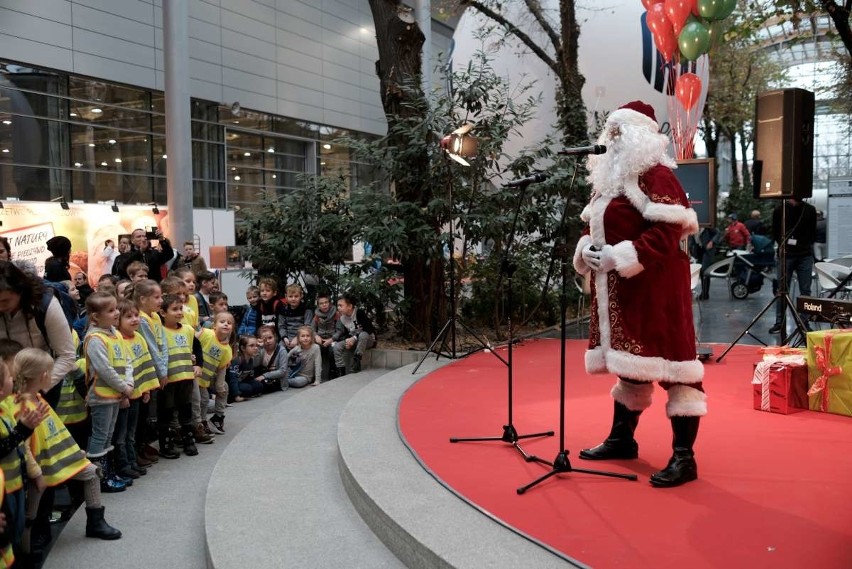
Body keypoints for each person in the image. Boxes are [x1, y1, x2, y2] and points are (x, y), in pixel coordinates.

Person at [572, 100, 705, 488]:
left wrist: (620, 256)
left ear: (638, 137)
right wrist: (589, 251)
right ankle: (621, 439)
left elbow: (666, 234)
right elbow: (593, 229)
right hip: (621, 289)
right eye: (608, 132)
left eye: (618, 133)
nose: (611, 140)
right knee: (632, 363)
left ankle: (685, 458)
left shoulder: (658, 175)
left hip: (657, 290)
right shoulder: (608, 184)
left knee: (675, 368)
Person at [13, 348, 122, 541]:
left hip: (57, 460)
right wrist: (34, 470)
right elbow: (24, 443)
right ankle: (28, 544)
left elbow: (56, 432)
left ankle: (95, 522)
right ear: (45, 375)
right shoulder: (20, 406)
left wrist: (74, 452)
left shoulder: (39, 399)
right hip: (41, 467)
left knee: (91, 472)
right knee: (31, 512)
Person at [0, 261, 77, 398]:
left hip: (42, 384)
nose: (1, 307)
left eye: (5, 301)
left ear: (20, 291)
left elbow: (67, 355)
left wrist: (37, 389)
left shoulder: (45, 305)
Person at [82, 292, 134, 493]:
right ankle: (99, 478)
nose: (116, 313)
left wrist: (128, 383)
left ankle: (108, 473)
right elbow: (104, 369)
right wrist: (124, 387)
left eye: (116, 309)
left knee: (109, 435)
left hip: (116, 394)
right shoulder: (94, 338)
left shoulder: (115, 333)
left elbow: (126, 360)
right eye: (111, 310)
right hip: (102, 396)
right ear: (95, 316)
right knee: (100, 436)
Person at [112, 299, 159, 480]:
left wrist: (146, 389)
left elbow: (143, 366)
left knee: (132, 432)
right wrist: (124, 394)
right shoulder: (117, 340)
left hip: (138, 394)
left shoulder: (139, 337)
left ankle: (132, 461)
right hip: (124, 396)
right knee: (121, 434)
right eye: (128, 316)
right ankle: (123, 465)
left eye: (136, 315)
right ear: (118, 320)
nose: (134, 319)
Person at [159, 294, 200, 458]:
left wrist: (198, 365)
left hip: (186, 378)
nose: (179, 312)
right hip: (168, 380)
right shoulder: (160, 331)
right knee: (167, 412)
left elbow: (198, 349)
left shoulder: (188, 330)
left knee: (186, 410)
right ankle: (166, 444)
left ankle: (188, 440)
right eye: (174, 309)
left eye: (180, 308)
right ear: (163, 313)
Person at [769, 197, 817, 335]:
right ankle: (779, 322)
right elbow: (776, 232)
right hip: (786, 254)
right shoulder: (780, 210)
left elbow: (812, 232)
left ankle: (804, 322)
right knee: (782, 290)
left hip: (804, 254)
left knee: (806, 290)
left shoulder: (809, 210)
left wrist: (803, 244)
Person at [196, 312, 233, 436]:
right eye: (222, 322)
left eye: (229, 323)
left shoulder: (227, 349)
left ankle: (218, 417)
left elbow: (222, 369)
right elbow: (192, 343)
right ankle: (200, 422)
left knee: (224, 387)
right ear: (214, 325)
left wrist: (219, 385)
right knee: (205, 399)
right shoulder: (206, 333)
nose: (226, 324)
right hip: (194, 375)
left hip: (207, 378)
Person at [331, 293, 376, 377]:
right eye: (338, 305)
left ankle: (356, 362)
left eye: (341, 306)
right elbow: (346, 333)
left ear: (350, 306)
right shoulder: (342, 318)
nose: (338, 308)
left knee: (363, 335)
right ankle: (341, 371)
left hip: (367, 340)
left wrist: (354, 338)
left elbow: (369, 329)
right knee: (337, 347)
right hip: (354, 340)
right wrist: (348, 340)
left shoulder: (359, 313)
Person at [311, 292, 339, 380]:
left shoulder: (336, 314)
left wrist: (332, 339)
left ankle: (333, 372)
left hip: (332, 339)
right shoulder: (316, 316)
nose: (324, 305)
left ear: (329, 303)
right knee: (315, 349)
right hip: (320, 339)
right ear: (318, 305)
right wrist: (316, 336)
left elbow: (340, 331)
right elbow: (312, 329)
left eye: (326, 302)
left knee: (332, 350)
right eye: (321, 303)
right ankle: (315, 374)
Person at [278, 284, 313, 350]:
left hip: (302, 337)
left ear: (301, 296)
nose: (293, 299)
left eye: (296, 296)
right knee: (280, 349)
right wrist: (285, 338)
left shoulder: (306, 309)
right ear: (286, 296)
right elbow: (281, 326)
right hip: (286, 337)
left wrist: (298, 338)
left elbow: (307, 327)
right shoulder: (283, 310)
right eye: (290, 296)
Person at [254, 324, 287, 393]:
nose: (268, 341)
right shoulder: (261, 349)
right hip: (263, 377)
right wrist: (257, 348)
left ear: (275, 337)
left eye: (270, 338)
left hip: (276, 381)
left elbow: (282, 371)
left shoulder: (282, 350)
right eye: (265, 339)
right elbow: (255, 365)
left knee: (258, 387)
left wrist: (264, 376)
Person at [689, 226, 720, 300]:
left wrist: (712, 242)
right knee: (701, 272)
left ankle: (705, 294)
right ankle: (704, 293)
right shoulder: (693, 227)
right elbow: (691, 240)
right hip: (698, 250)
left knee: (704, 270)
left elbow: (718, 233)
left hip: (707, 250)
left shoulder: (707, 226)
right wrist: (690, 251)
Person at [229, 336, 263, 401]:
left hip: (242, 381)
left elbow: (250, 377)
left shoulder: (250, 360)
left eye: (256, 345)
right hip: (233, 384)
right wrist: (236, 395)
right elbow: (233, 379)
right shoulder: (237, 360)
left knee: (259, 386)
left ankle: (248, 394)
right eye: (251, 346)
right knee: (247, 388)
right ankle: (234, 396)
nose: (256, 348)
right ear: (243, 348)